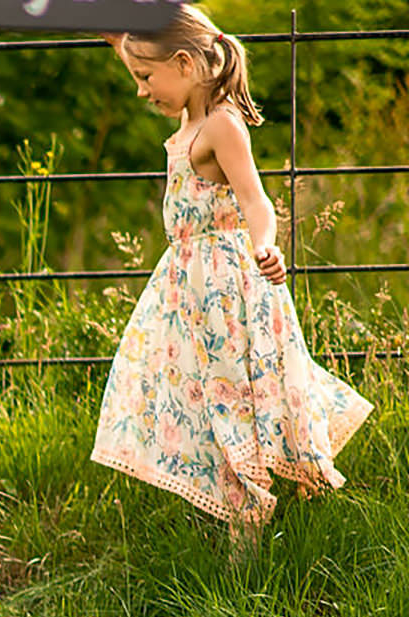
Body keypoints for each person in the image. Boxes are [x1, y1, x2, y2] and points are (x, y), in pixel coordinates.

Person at [91, 5, 373, 544]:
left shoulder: (221, 124)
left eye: (146, 78)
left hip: (224, 291)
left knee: (230, 396)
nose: (140, 91)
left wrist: (266, 246)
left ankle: (247, 524)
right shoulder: (189, 112)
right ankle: (233, 504)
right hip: (188, 291)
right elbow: (131, 42)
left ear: (183, 63)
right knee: (200, 392)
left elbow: (257, 202)